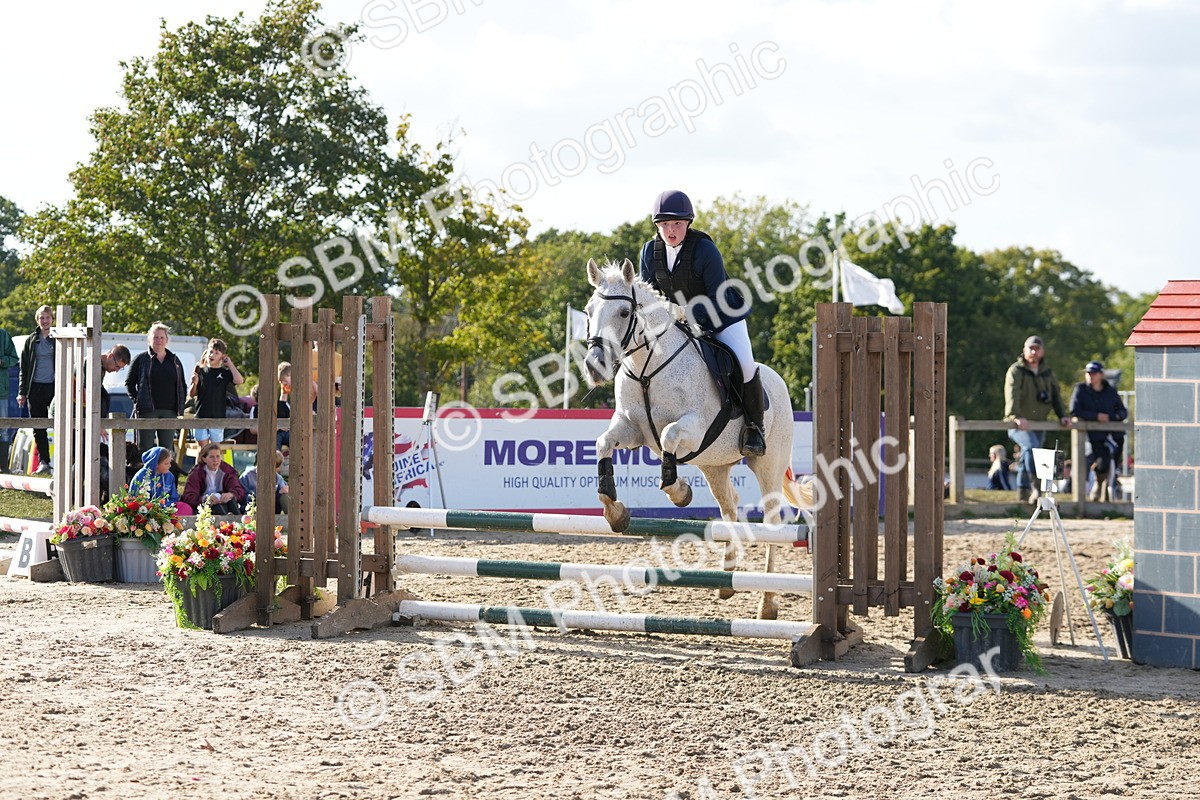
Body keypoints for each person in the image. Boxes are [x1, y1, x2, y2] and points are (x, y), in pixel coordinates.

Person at [638, 189, 765, 456]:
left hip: (722, 315)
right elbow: (647, 297)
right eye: (664, 224)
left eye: (677, 224)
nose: (670, 230)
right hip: (676, 321)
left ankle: (755, 429)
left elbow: (716, 296)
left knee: (744, 363)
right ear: (657, 226)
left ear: (688, 224)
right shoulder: (649, 252)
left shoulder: (705, 250)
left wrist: (685, 312)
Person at [1003, 334, 1070, 503]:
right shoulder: (1016, 370)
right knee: (1032, 448)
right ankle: (1035, 488)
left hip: (1039, 422)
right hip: (1018, 423)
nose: (1034, 351)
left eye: (1037, 348)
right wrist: (1016, 416)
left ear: (1042, 351)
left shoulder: (1047, 372)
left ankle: (1022, 491)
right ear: (1024, 350)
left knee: (1030, 453)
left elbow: (1055, 395)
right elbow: (1012, 394)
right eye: (1030, 348)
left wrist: (1063, 416)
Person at [1070, 360, 1128, 501]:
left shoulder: (1110, 391)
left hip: (1114, 436)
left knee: (1113, 463)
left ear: (1101, 375)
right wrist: (1096, 417)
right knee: (1102, 462)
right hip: (1094, 436)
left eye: (1094, 373)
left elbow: (1122, 411)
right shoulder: (1081, 390)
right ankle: (1098, 484)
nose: (1090, 376)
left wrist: (1113, 417)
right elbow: (1074, 411)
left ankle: (1107, 491)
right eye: (1088, 373)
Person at [126, 322, 187, 454]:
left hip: (170, 412)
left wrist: (180, 408)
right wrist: (138, 400)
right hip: (147, 411)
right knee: (145, 449)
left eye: (161, 337)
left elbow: (182, 385)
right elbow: (129, 383)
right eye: (155, 337)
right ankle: (146, 475)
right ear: (149, 339)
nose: (159, 340)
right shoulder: (141, 359)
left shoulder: (175, 361)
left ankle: (165, 475)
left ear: (166, 340)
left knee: (166, 450)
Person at [16, 305, 56, 474]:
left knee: (61, 424)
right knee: (38, 426)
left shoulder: (57, 338)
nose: (44, 321)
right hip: (35, 387)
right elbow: (24, 368)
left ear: (52, 319)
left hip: (54, 387)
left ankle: (64, 460)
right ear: (37, 320)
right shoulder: (32, 340)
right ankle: (44, 461)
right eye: (41, 318)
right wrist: (22, 392)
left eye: (47, 317)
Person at [187, 338, 244, 449]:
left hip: (218, 416)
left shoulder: (225, 373)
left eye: (216, 353)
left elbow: (239, 380)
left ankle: (215, 467)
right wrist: (195, 383)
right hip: (201, 415)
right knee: (202, 450)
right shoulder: (200, 370)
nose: (212, 355)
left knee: (214, 450)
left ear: (222, 356)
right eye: (211, 352)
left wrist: (230, 364)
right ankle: (199, 466)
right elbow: (191, 394)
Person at [180, 443, 247, 515]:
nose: (215, 460)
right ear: (204, 459)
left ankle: (238, 524)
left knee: (231, 502)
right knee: (218, 508)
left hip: (223, 502)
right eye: (212, 457)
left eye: (218, 456)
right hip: (204, 506)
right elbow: (189, 496)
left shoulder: (227, 470)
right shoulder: (196, 473)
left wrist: (231, 494)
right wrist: (205, 499)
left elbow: (238, 489)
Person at [240, 450, 289, 514]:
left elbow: (283, 489)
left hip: (273, 506)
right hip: (254, 507)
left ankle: (291, 519)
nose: (277, 470)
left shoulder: (277, 477)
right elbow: (242, 497)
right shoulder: (247, 476)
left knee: (285, 496)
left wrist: (284, 490)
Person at [0, 324, 18, 473]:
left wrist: (2, 361)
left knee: (4, 430)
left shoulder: (3, 335)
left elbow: (13, 358)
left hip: (1, 391)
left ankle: (4, 467)